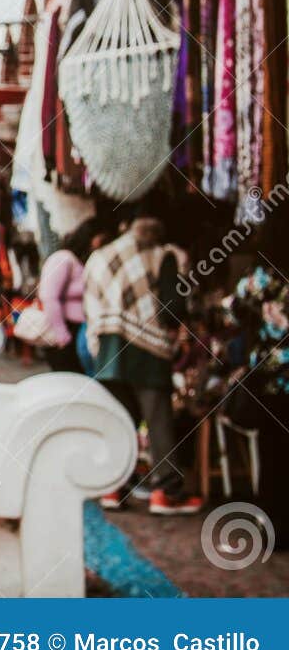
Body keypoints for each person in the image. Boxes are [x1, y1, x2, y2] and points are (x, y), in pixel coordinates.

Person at [82, 215, 202, 515]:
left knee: (121, 418)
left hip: (108, 345)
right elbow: (172, 308)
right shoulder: (164, 257)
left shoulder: (101, 256)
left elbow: (90, 298)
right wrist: (178, 333)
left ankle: (112, 485)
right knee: (157, 418)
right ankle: (165, 493)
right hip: (147, 347)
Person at [36, 221, 98, 373]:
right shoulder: (63, 258)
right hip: (66, 332)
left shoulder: (80, 261)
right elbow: (49, 297)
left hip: (77, 331)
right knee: (69, 380)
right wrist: (62, 334)